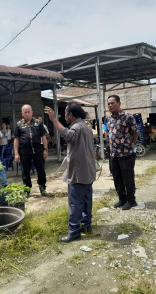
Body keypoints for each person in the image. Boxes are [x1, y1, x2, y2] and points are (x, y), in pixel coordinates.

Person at [45, 103, 96, 243]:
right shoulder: (85, 127)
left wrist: (54, 120)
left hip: (78, 172)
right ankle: (86, 225)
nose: (64, 116)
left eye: (65, 114)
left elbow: (67, 136)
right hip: (88, 170)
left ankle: (74, 232)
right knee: (86, 200)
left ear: (71, 115)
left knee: (75, 203)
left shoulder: (76, 127)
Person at [106, 95, 139, 210]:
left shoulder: (128, 117)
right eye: (108, 103)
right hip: (114, 154)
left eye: (112, 103)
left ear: (119, 104)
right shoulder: (108, 119)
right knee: (117, 178)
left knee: (128, 178)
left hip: (126, 153)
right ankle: (122, 199)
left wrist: (130, 144)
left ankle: (131, 200)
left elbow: (135, 133)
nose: (110, 105)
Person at [14, 105, 48, 196]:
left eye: (29, 112)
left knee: (41, 170)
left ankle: (42, 187)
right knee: (25, 172)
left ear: (32, 112)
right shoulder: (19, 124)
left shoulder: (38, 123)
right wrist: (16, 153)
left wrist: (45, 149)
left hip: (38, 151)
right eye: (25, 112)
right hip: (24, 152)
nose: (27, 114)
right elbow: (16, 139)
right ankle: (27, 190)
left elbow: (44, 136)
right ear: (22, 114)